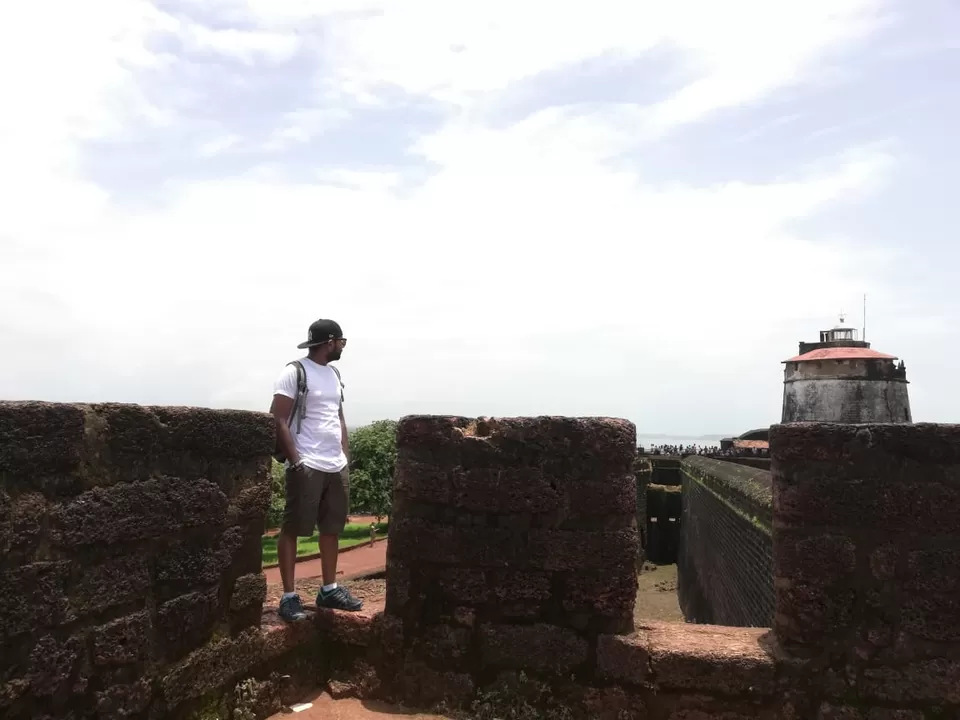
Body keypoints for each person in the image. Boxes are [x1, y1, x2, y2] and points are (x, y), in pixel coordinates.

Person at [270, 318, 363, 621]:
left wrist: (344, 456)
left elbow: (338, 417)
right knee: (293, 527)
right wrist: (296, 461)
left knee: (332, 528)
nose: (343, 348)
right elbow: (278, 419)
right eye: (342, 343)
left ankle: (329, 589)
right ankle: (288, 595)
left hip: (334, 464)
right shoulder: (294, 373)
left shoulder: (334, 374)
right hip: (307, 461)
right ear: (329, 342)